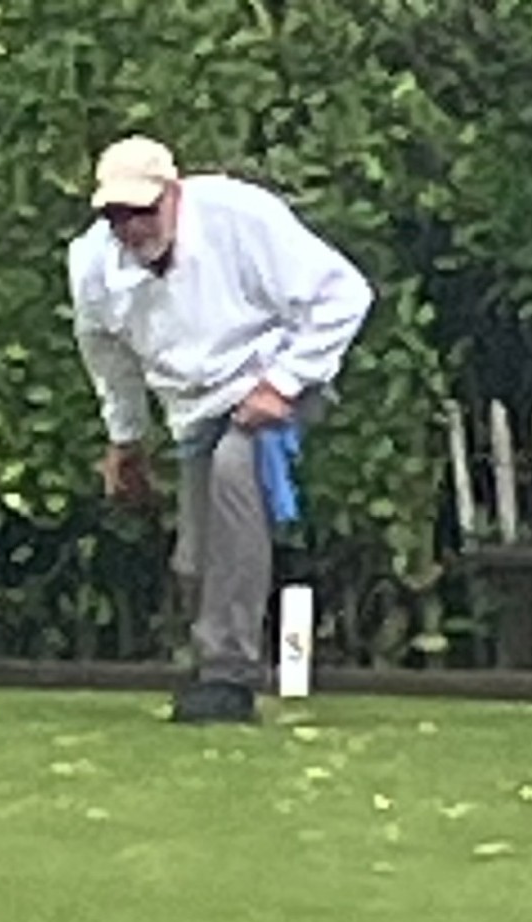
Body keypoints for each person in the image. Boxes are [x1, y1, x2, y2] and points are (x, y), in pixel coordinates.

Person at [67, 135, 374, 723]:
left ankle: (227, 677)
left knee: (238, 468)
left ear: (174, 194)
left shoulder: (241, 215)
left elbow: (344, 295)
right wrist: (125, 440)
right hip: (194, 406)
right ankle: (210, 663)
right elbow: (108, 358)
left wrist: (281, 384)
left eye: (142, 211)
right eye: (115, 216)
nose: (130, 228)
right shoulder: (91, 266)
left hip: (278, 372)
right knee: (197, 552)